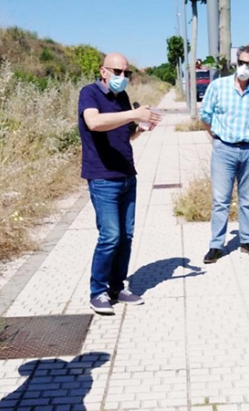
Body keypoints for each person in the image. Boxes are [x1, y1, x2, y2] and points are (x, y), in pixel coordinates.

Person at [78, 52, 162, 315]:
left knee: (125, 236)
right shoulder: (89, 93)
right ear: (103, 71)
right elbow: (94, 122)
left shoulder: (122, 98)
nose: (122, 77)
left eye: (127, 73)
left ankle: (117, 286)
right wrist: (132, 113)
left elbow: (126, 135)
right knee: (110, 236)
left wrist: (141, 128)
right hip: (103, 177)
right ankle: (97, 291)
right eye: (117, 72)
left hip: (127, 175)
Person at [200, 46, 249, 264]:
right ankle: (216, 245)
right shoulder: (218, 87)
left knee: (247, 200)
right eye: (241, 62)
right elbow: (205, 116)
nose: (244, 67)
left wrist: (246, 137)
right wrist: (218, 138)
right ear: (236, 62)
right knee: (221, 200)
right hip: (224, 150)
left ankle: (247, 240)